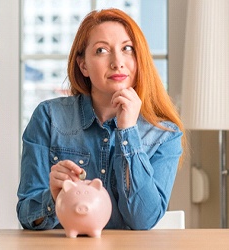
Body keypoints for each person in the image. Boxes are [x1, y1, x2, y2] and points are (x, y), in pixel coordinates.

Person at [17, 8, 186, 230]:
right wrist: (54, 198)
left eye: (127, 49)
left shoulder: (164, 134)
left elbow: (143, 220)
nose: (118, 62)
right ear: (83, 65)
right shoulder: (49, 117)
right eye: (102, 50)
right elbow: (27, 214)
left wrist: (127, 132)